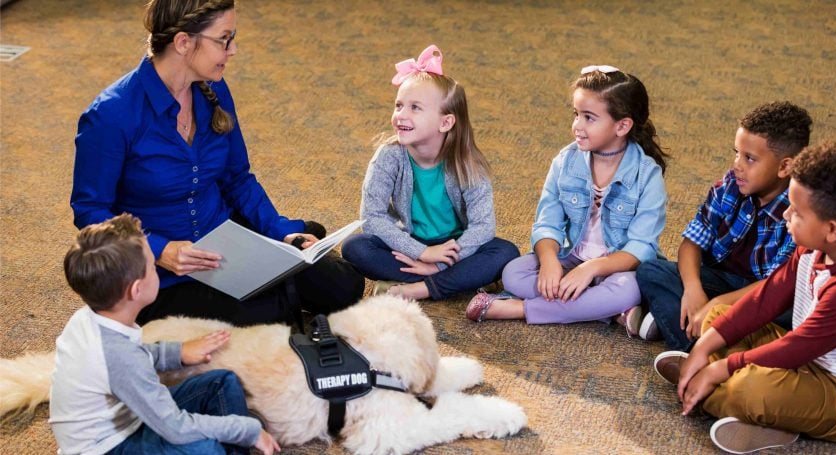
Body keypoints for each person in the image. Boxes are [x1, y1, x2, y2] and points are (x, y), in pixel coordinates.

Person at [70, 0, 364, 327]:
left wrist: (280, 232)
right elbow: (90, 211)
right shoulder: (111, 115)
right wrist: (159, 249)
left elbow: (237, 178)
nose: (233, 49)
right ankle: (288, 257)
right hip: (158, 274)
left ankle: (288, 239)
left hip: (225, 244)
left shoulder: (216, 90)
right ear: (183, 42)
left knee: (344, 287)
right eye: (224, 39)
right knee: (265, 314)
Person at [653, 140, 836, 453]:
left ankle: (717, 393)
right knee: (718, 320)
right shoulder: (810, 247)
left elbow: (797, 349)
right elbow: (764, 301)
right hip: (800, 360)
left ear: (833, 230)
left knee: (751, 390)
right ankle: (745, 407)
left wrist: (719, 368)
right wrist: (705, 346)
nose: (786, 214)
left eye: (797, 212)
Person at [50, 214, 280, 455]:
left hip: (128, 418)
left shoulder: (91, 319)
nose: (157, 268)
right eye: (153, 266)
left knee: (222, 382)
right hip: (110, 446)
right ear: (136, 290)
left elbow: (130, 358)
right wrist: (247, 430)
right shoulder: (119, 355)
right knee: (206, 449)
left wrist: (177, 352)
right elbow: (175, 428)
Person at [466, 65, 668, 329]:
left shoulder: (647, 175)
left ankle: (520, 308)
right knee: (513, 273)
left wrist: (591, 269)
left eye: (589, 117)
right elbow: (547, 223)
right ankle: (607, 311)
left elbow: (640, 248)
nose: (577, 126)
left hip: (619, 267)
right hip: (573, 257)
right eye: (576, 114)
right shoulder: (565, 161)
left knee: (628, 289)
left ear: (622, 126)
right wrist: (550, 262)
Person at [341, 45, 519, 301]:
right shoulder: (389, 156)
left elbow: (483, 226)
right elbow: (372, 217)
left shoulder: (468, 164)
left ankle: (421, 287)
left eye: (415, 107)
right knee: (355, 247)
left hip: (455, 246)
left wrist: (440, 263)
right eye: (398, 105)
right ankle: (457, 282)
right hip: (410, 242)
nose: (401, 115)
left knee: (505, 252)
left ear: (445, 122)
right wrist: (423, 253)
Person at [636, 102, 812, 348]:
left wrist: (720, 304)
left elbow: (778, 285)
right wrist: (693, 289)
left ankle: (688, 337)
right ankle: (703, 348)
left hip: (764, 296)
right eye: (736, 152)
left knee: (795, 314)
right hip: (717, 282)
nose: (737, 164)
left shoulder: (800, 212)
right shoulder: (729, 185)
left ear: (785, 167)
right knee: (650, 271)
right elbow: (691, 243)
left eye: (749, 158)